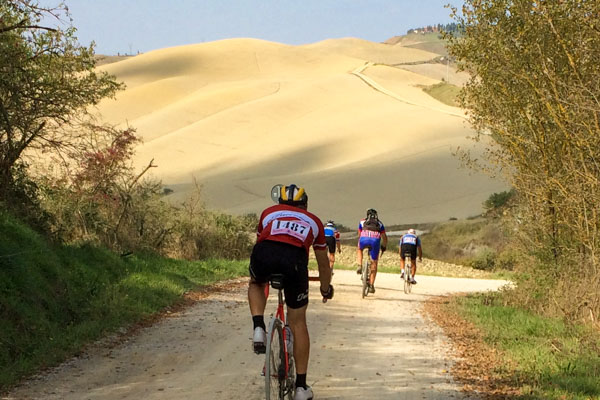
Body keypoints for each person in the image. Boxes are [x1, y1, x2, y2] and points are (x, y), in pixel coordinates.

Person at [248, 184, 333, 400]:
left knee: (256, 283)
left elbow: (263, 242)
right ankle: (301, 388)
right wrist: (325, 288)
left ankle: (259, 327)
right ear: (305, 205)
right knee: (298, 323)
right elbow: (323, 264)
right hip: (294, 261)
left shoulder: (268, 213)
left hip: (265, 254)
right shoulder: (313, 221)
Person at [356, 208, 387, 293]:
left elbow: (359, 234)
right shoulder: (380, 224)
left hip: (363, 239)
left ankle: (359, 265)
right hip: (375, 241)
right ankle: (371, 286)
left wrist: (361, 240)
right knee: (374, 263)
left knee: (359, 249)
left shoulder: (362, 221)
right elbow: (384, 237)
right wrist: (384, 246)